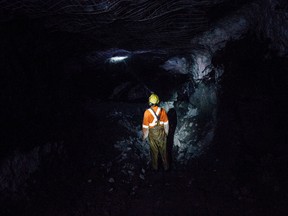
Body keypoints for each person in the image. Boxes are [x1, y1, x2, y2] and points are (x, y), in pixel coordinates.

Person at [142, 93, 169, 171]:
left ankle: (155, 168)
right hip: (162, 134)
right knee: (164, 151)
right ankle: (166, 168)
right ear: (157, 101)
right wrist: (166, 133)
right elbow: (166, 124)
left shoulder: (147, 113)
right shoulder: (162, 111)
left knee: (154, 152)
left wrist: (144, 137)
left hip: (152, 135)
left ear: (149, 102)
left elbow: (145, 128)